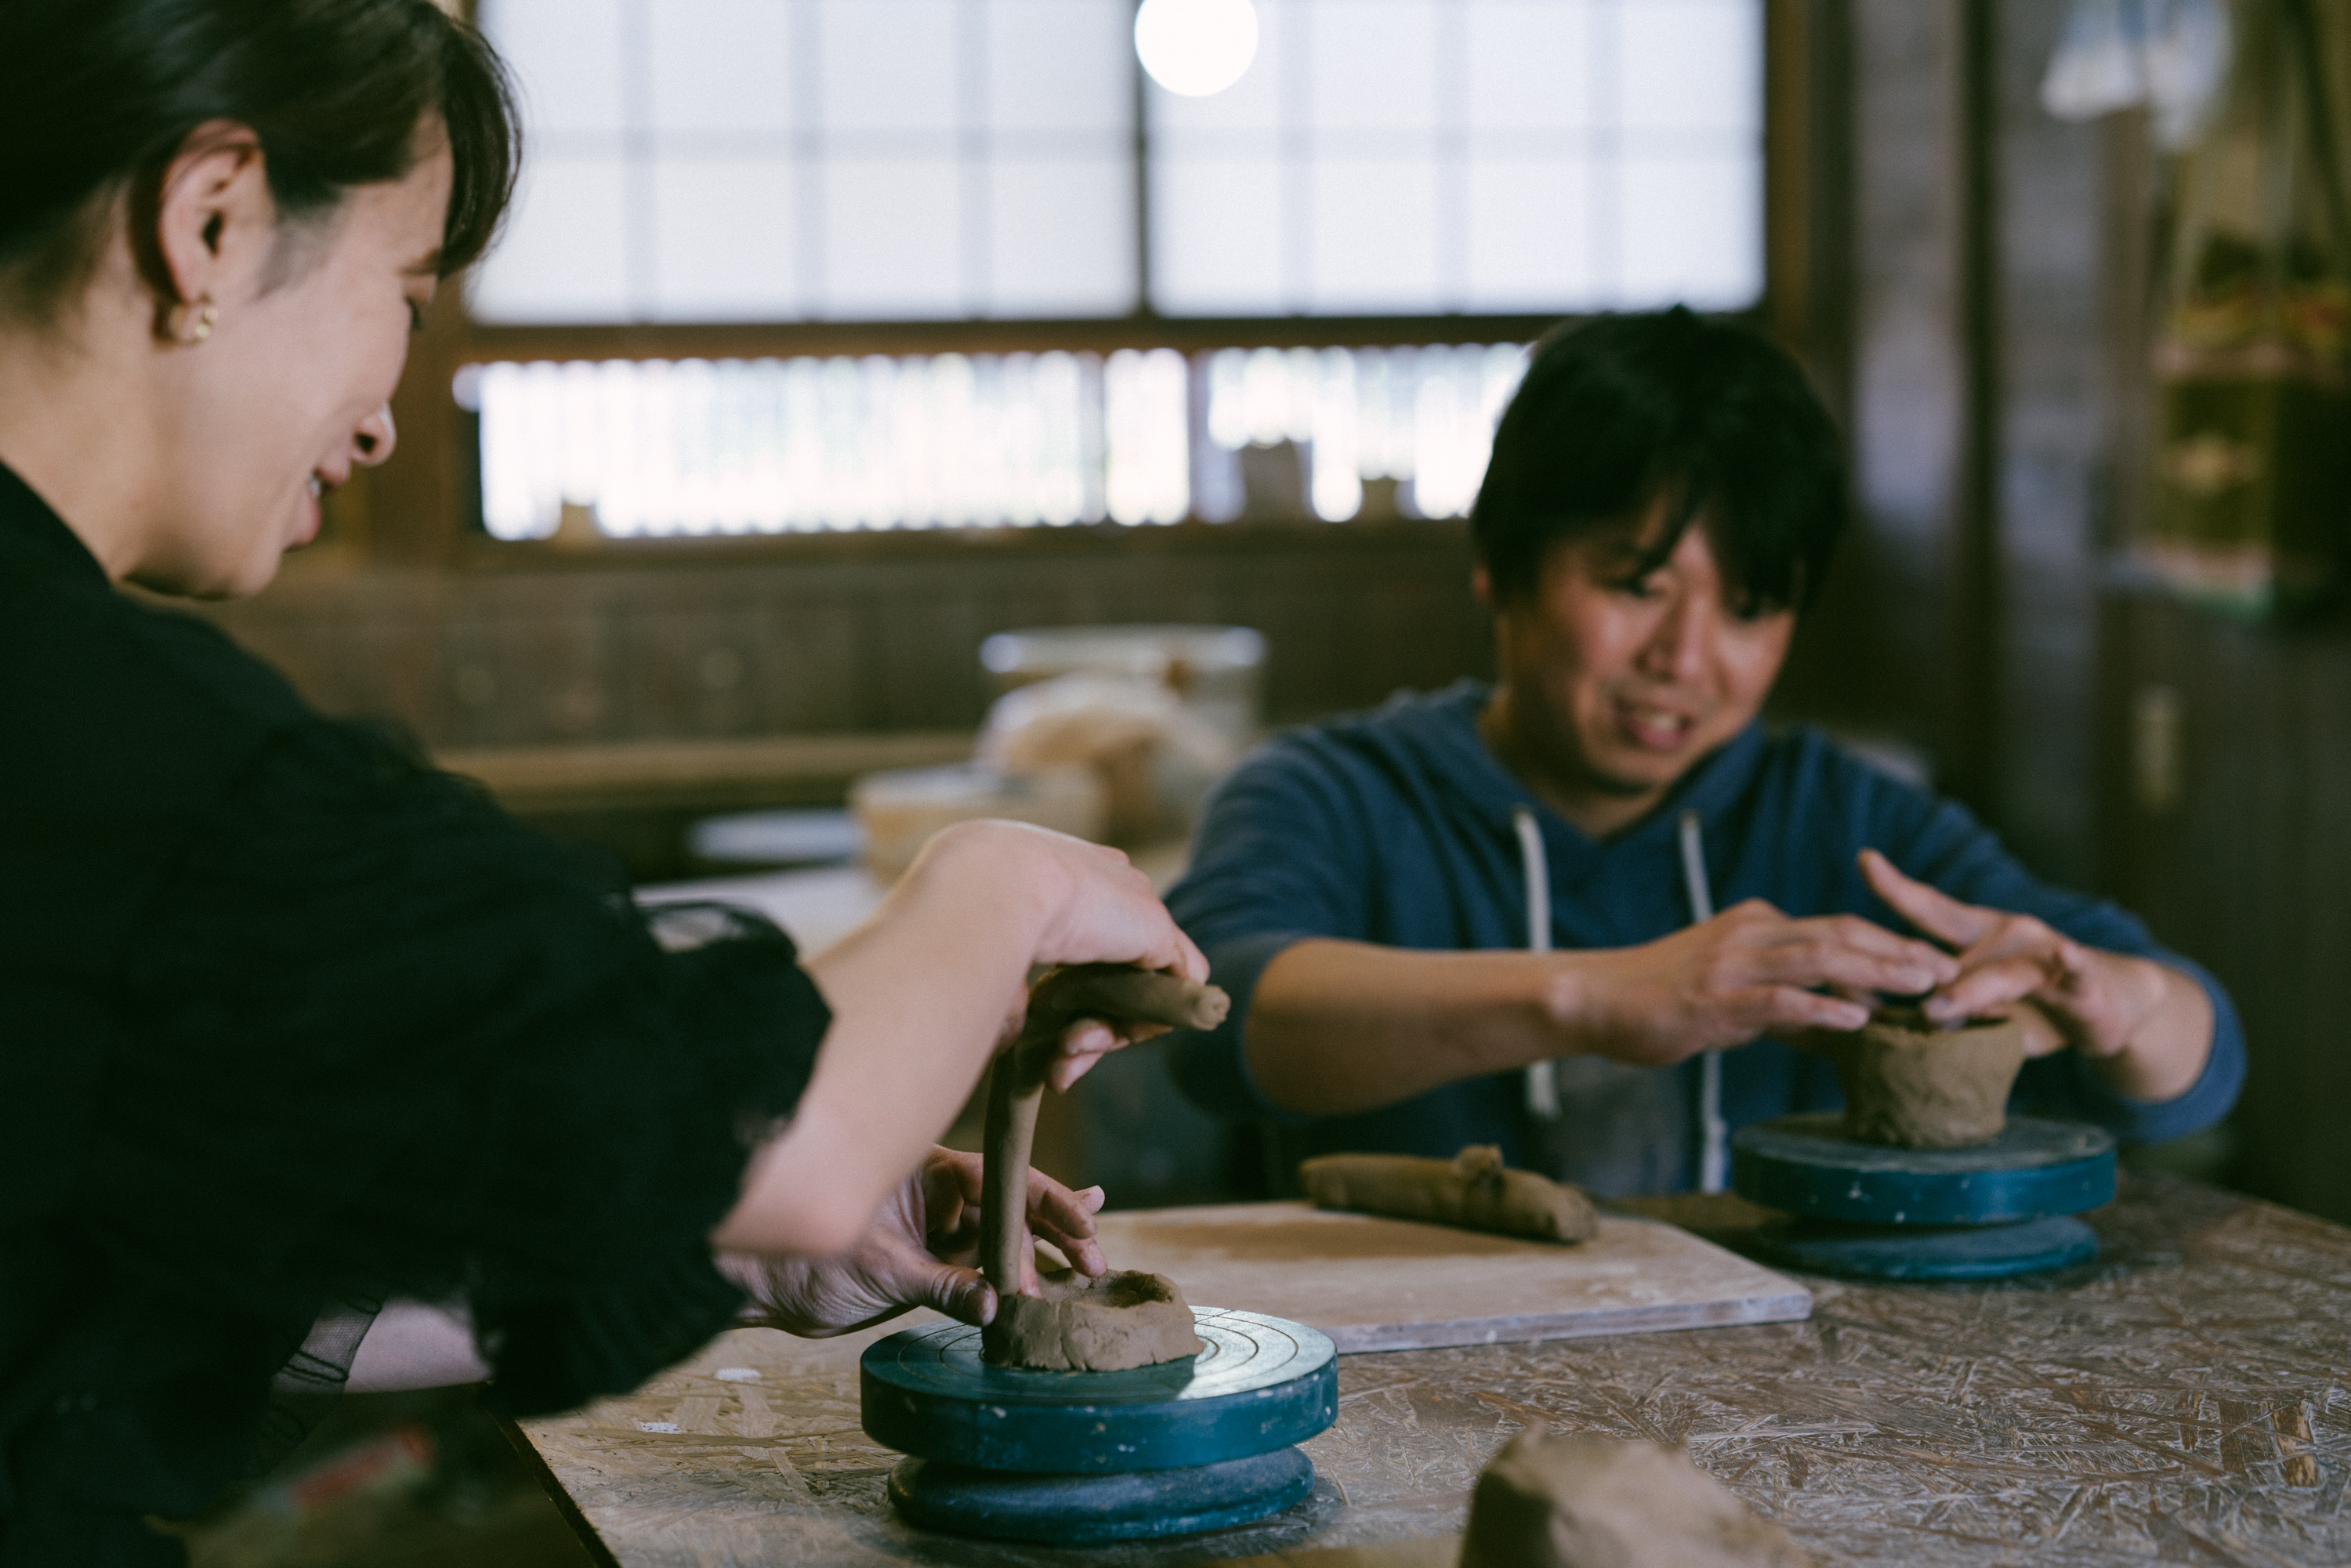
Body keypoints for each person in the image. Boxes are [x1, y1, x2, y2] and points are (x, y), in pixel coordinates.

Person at [0, 5, 1197, 1562]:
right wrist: (1005, 881)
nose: (378, 418)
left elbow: (72, 1274)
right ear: (210, 218)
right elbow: (776, 1132)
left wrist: (737, 1253)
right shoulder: (108, 737)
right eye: (406, 297)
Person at [1165, 310, 2244, 1196]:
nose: (1685, 657)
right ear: (1499, 561)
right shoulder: (1332, 791)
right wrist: (1598, 995)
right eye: (1637, 586)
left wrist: (2125, 1005)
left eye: (1750, 607)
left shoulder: (1844, 819)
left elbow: (2195, 1059)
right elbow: (1216, 1019)